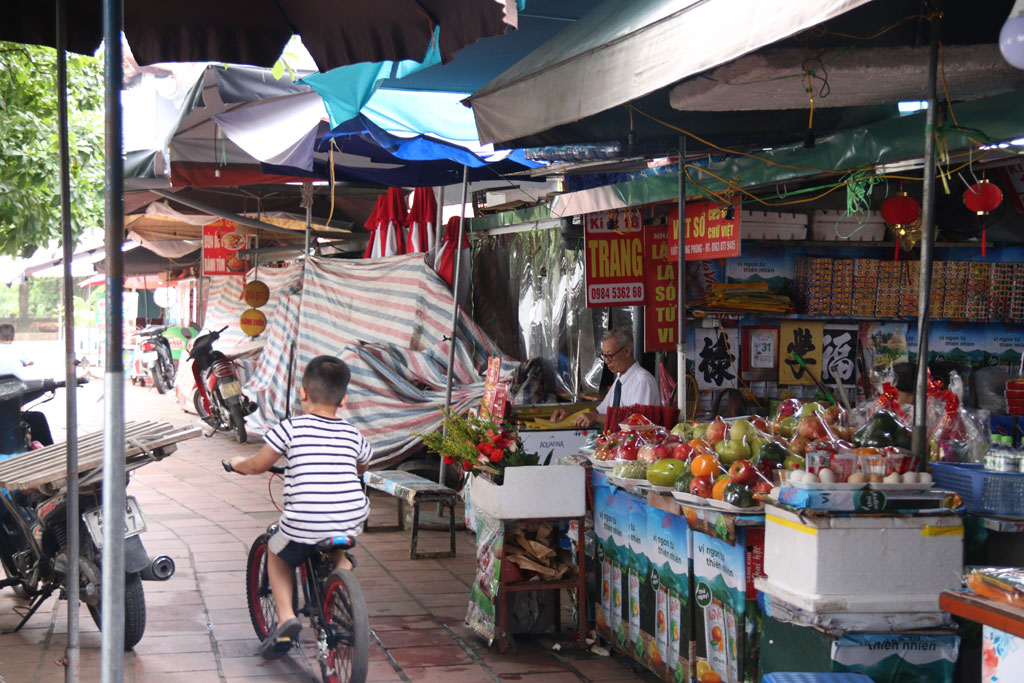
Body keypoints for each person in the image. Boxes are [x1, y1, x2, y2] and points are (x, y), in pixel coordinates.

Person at [227, 355, 372, 659]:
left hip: (305, 517)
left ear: (303, 393)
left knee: (277, 554)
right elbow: (362, 465)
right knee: (335, 521)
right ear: (343, 400)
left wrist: (238, 464)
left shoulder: (290, 428)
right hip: (352, 514)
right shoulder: (353, 434)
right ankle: (341, 565)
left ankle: (285, 617)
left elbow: (258, 465)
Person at [551, 326, 660, 429]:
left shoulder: (642, 381)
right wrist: (570, 413)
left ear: (627, 351)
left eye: (610, 355)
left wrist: (597, 418)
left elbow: (638, 422)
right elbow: (600, 411)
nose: (607, 361)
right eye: (604, 356)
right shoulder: (620, 380)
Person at [0, 323, 52, 446]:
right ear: (14, 338)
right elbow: (30, 362)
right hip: (15, 393)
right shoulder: (18, 351)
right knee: (31, 415)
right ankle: (45, 451)